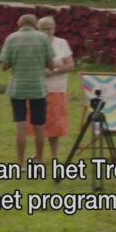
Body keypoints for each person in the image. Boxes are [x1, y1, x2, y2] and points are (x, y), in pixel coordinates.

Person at [0, 14, 55, 169]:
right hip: (38, 88)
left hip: (17, 88)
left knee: (21, 126)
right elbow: (51, 66)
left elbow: (4, 66)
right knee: (39, 127)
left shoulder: (11, 38)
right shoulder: (43, 39)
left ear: (19, 24)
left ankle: (21, 163)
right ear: (35, 24)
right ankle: (39, 160)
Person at [27, 16, 74, 161]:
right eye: (44, 29)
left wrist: (53, 72)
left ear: (54, 28)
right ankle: (38, 154)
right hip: (37, 89)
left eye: (50, 28)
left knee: (55, 126)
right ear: (37, 29)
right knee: (37, 125)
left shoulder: (62, 43)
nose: (47, 32)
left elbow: (70, 65)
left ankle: (54, 156)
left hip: (57, 90)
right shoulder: (32, 43)